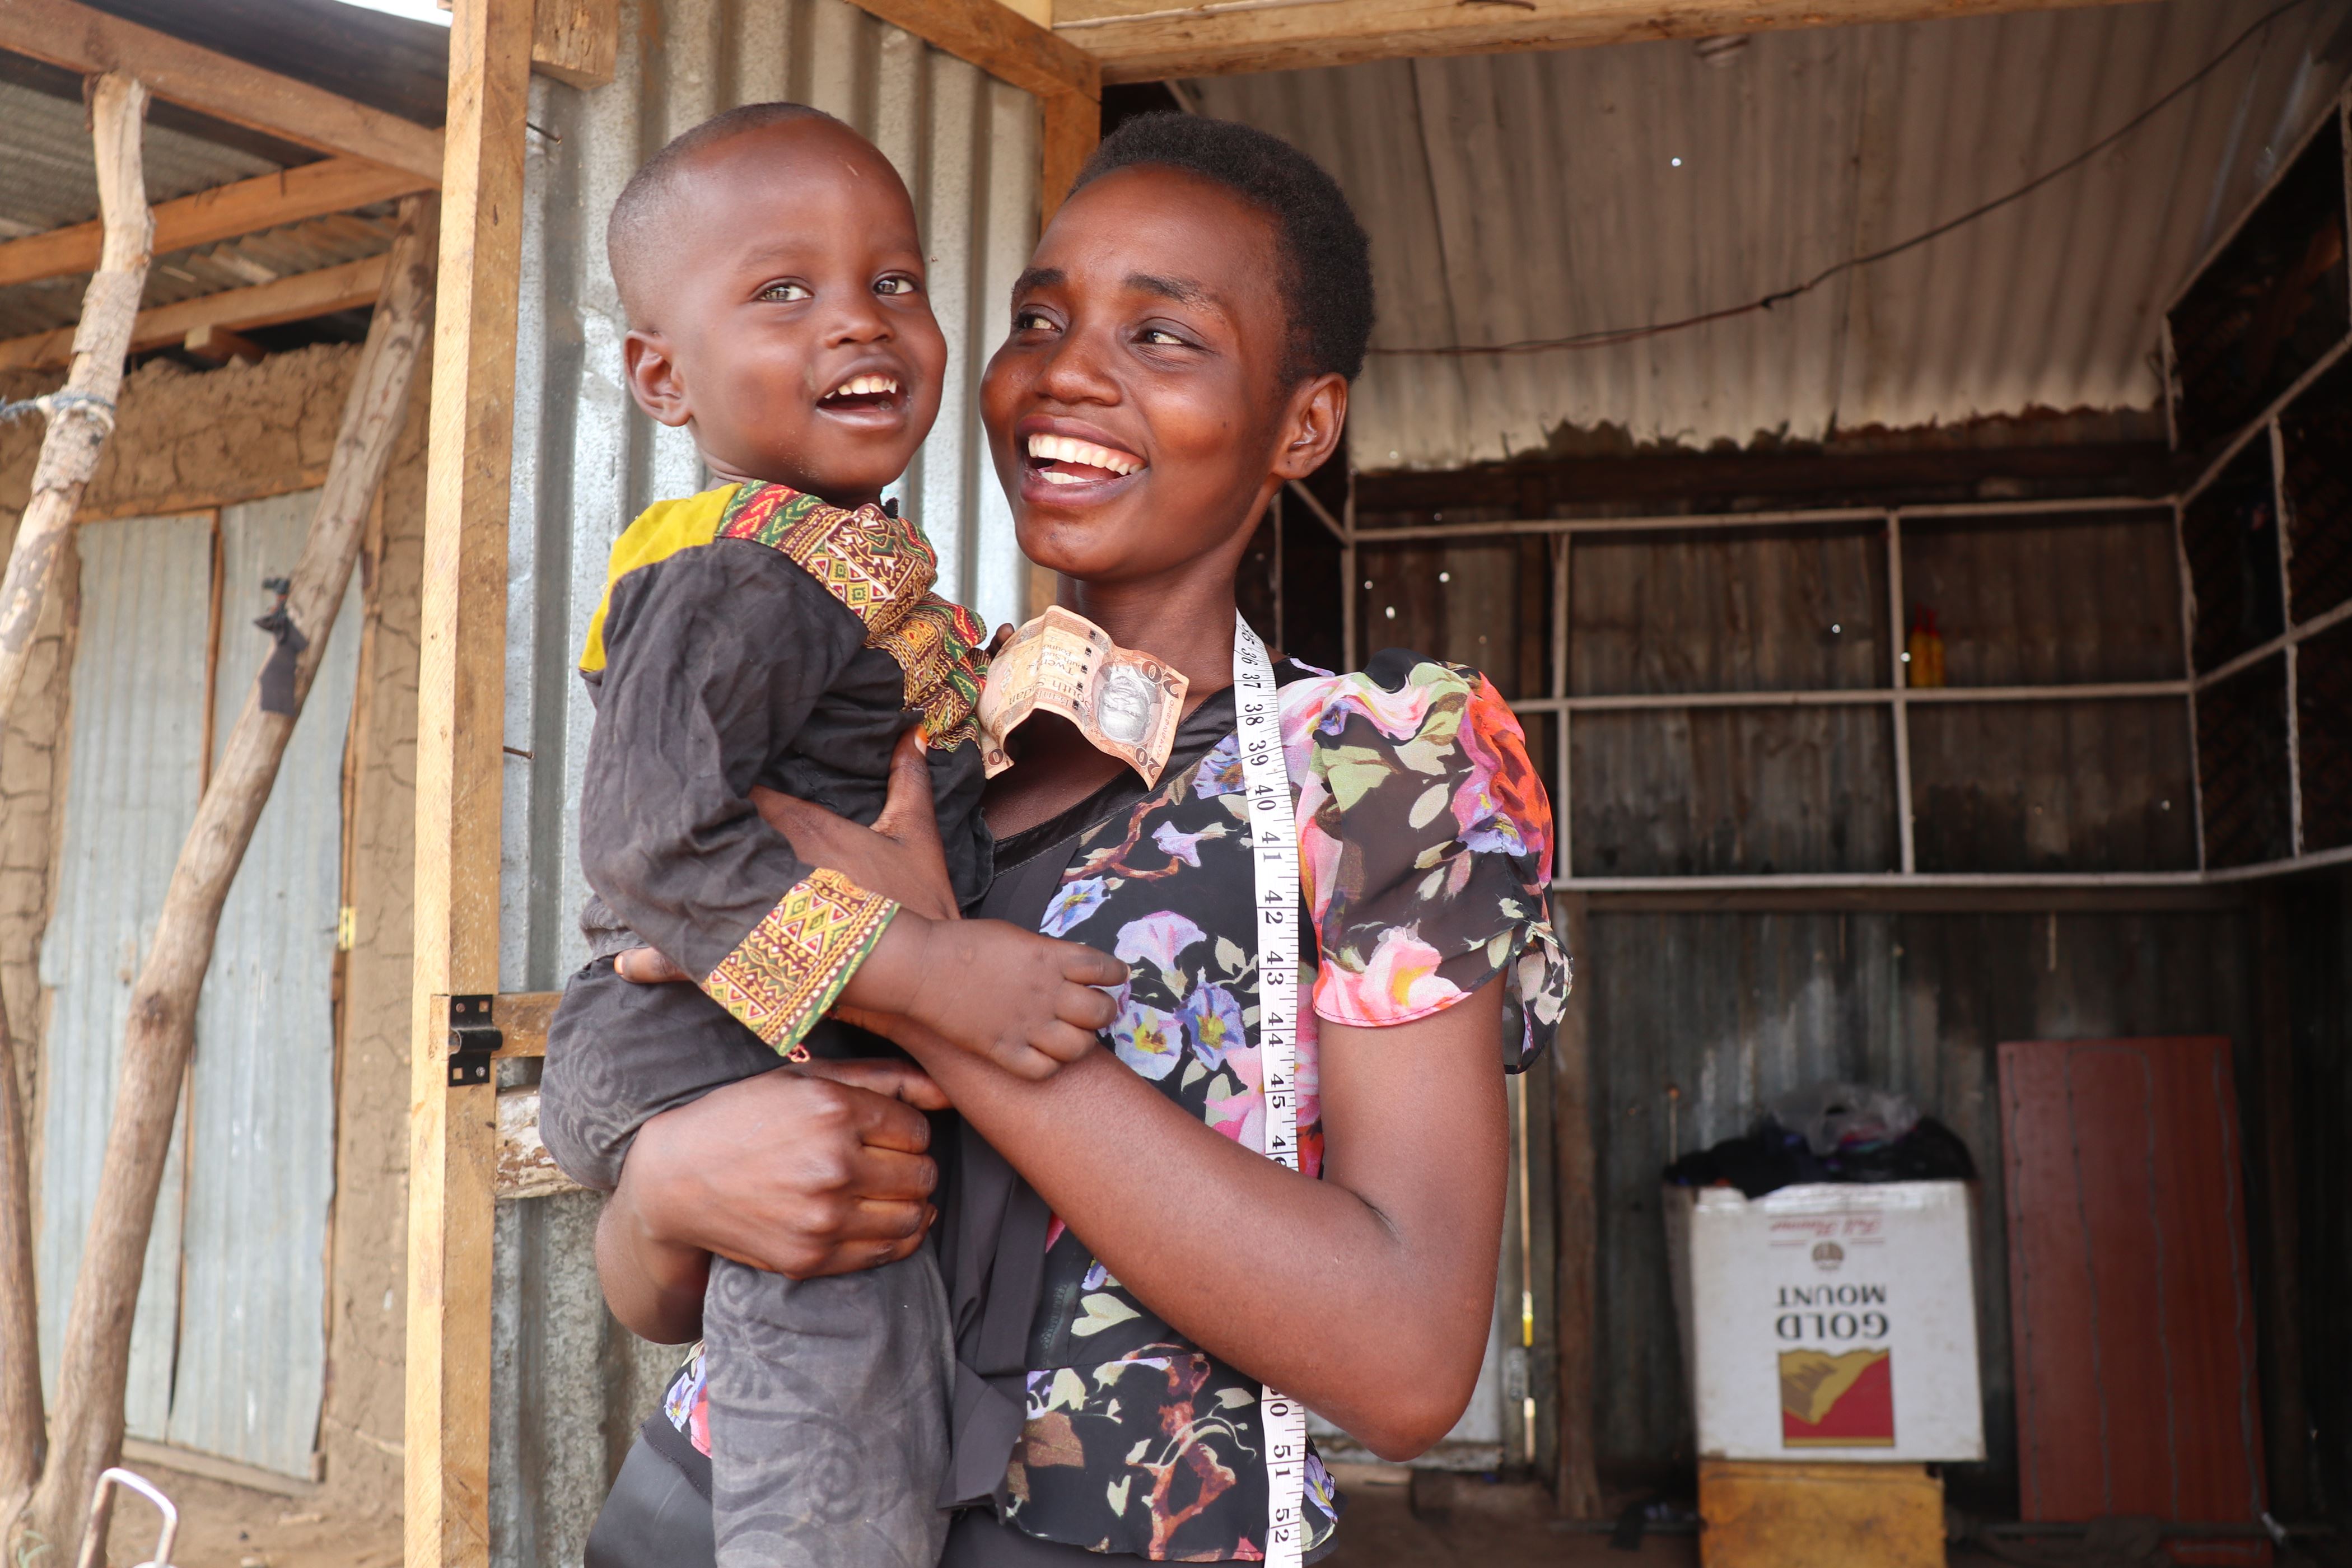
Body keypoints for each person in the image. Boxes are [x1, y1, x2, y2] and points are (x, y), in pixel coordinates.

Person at [592, 111, 1570, 1567]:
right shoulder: (896, 713)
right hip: (728, 1498)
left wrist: (930, 976)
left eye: (1162, 335)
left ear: (1300, 422)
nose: (1067, 372)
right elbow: (664, 1277)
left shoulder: (1379, 770)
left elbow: (1409, 1362)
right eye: (1038, 318)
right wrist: (667, 1195)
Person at [534, 103, 1126, 1568]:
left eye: (897, 282)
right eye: (782, 292)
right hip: (701, 1048)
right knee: (837, 1336)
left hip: (744, 1038)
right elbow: (650, 855)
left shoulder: (837, 567)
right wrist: (930, 973)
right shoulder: (741, 579)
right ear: (662, 378)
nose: (858, 323)